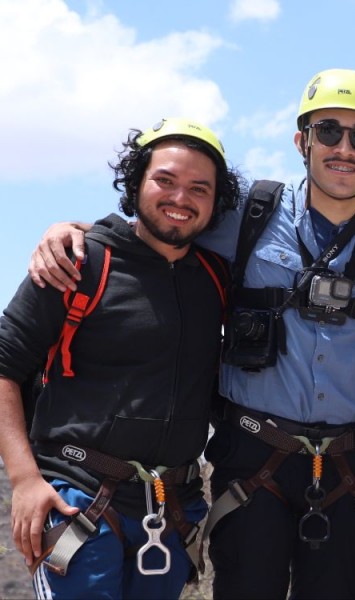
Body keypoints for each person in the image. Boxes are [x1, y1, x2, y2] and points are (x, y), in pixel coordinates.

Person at [27, 68, 355, 599]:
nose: (344, 147)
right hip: (254, 461)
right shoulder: (247, 215)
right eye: (328, 131)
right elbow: (161, 220)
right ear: (302, 141)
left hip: (349, 467)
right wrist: (71, 230)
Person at [0, 118, 241, 598]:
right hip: (78, 501)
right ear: (136, 184)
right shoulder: (77, 262)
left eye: (199, 188)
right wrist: (25, 480)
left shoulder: (216, 278)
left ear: (216, 204)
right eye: (165, 181)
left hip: (172, 510)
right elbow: (5, 364)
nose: (180, 198)